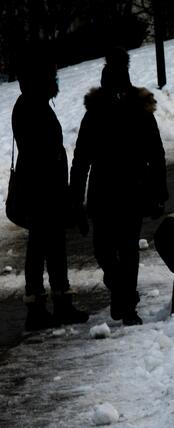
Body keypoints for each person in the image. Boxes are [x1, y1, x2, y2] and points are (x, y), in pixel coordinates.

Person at [70, 47, 168, 326]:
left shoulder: (129, 112)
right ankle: (124, 295)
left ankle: (125, 303)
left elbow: (155, 153)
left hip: (121, 190)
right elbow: (82, 158)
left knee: (119, 248)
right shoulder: (102, 114)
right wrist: (76, 199)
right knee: (113, 249)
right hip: (115, 190)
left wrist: (158, 191)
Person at [11, 43, 88, 331]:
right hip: (42, 191)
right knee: (42, 247)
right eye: (51, 75)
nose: (56, 79)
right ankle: (40, 308)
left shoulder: (32, 103)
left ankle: (52, 304)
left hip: (44, 189)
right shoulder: (32, 106)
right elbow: (39, 151)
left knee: (50, 247)